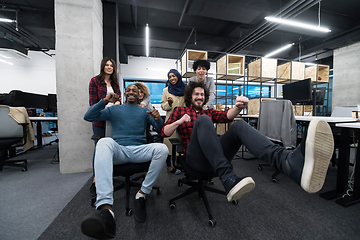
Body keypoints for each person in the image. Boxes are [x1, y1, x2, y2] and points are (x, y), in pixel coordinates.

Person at [161, 81, 334, 202]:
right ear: (190, 96)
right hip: (194, 158)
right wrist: (178, 122)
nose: (199, 97)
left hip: (213, 157)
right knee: (203, 120)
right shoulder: (180, 110)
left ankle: (287, 162)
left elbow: (226, 116)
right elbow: (164, 132)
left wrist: (238, 107)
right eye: (196, 94)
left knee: (238, 125)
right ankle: (227, 176)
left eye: (202, 94)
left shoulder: (210, 111)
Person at [81, 85, 168, 239]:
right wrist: (104, 101)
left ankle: (142, 194)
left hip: (139, 150)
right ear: (124, 94)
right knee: (103, 142)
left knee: (162, 149)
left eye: (135, 90)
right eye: (128, 90)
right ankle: (106, 209)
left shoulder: (144, 110)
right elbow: (88, 117)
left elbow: (160, 130)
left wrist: (157, 118)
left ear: (140, 95)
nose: (131, 92)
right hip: (119, 150)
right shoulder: (114, 109)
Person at [88, 57, 121, 196]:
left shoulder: (114, 82)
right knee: (99, 150)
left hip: (113, 119)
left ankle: (109, 177)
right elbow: (92, 104)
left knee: (112, 148)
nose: (109, 67)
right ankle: (96, 180)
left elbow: (119, 98)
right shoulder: (95, 81)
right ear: (103, 67)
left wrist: (117, 103)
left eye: (111, 65)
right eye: (106, 65)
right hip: (100, 120)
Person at [161, 69, 186, 174]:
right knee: (169, 144)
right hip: (171, 120)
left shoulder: (186, 89)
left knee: (182, 142)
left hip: (184, 120)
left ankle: (180, 163)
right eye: (169, 77)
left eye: (173, 76)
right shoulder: (166, 90)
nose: (171, 78)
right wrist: (169, 103)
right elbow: (163, 106)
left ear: (178, 76)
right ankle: (169, 165)